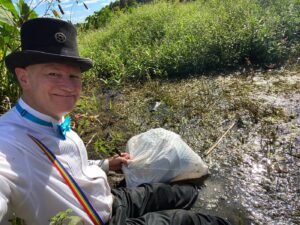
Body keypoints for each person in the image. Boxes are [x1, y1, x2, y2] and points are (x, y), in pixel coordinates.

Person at [0, 18, 231, 225]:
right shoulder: (7, 143)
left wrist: (108, 164)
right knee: (190, 221)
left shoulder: (54, 116)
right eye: (53, 74)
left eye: (74, 76)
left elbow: (70, 166)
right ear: (24, 77)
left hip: (110, 200)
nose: (69, 87)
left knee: (177, 193)